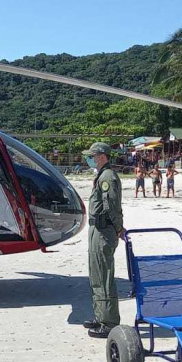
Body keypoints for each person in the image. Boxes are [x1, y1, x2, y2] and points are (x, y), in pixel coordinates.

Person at [81, 143, 124, 338]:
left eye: (93, 156)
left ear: (102, 157)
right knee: (96, 274)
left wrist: (118, 228)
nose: (89, 159)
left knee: (104, 276)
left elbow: (111, 206)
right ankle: (100, 316)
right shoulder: (102, 175)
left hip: (103, 229)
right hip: (96, 229)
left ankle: (108, 322)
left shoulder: (108, 177)